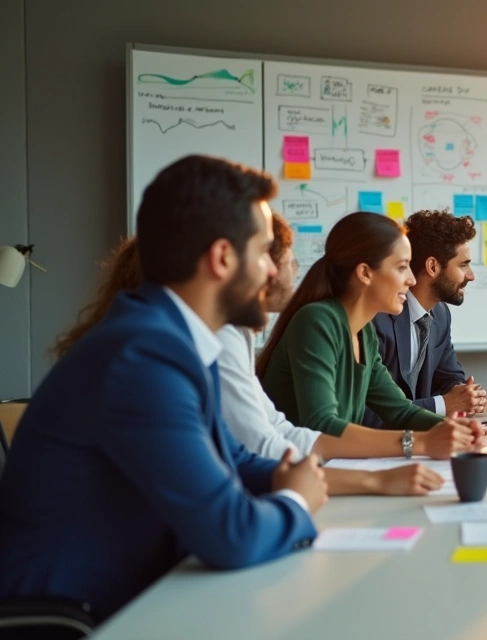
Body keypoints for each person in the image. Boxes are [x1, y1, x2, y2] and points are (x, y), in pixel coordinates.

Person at [0, 155, 323, 621]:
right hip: (65, 619)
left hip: (130, 599)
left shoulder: (172, 339)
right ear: (222, 258)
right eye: (262, 251)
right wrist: (296, 500)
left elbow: (229, 458)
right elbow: (232, 534)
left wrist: (285, 477)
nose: (274, 272)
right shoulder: (143, 356)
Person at [50, 224, 444, 497]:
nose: (282, 270)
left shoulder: (221, 338)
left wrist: (388, 470)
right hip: (95, 597)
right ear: (223, 262)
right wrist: (404, 453)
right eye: (270, 257)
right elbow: (231, 501)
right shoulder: (154, 356)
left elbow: (260, 444)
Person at [257, 212, 485, 459]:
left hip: (332, 469)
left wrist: (455, 429)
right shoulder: (318, 321)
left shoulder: (363, 332)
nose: (411, 279)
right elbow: (323, 426)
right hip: (289, 473)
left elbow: (400, 412)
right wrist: (419, 442)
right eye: (401, 267)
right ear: (365, 273)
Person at [365, 209, 487, 428]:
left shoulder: (440, 315)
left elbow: (449, 377)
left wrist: (467, 395)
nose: (471, 275)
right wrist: (444, 404)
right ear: (432, 266)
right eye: (463, 265)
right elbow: (368, 413)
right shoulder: (376, 319)